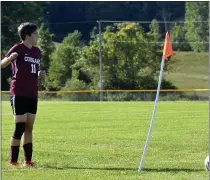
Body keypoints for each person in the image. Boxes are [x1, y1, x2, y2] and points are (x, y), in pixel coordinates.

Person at [1, 22, 45, 167]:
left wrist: (40, 74)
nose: (37, 36)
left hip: (33, 93)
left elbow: (34, 70)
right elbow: (2, 64)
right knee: (19, 126)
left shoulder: (37, 51)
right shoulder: (18, 48)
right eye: (35, 33)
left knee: (29, 127)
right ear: (27, 35)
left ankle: (28, 161)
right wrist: (10, 58)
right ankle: (13, 161)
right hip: (19, 92)